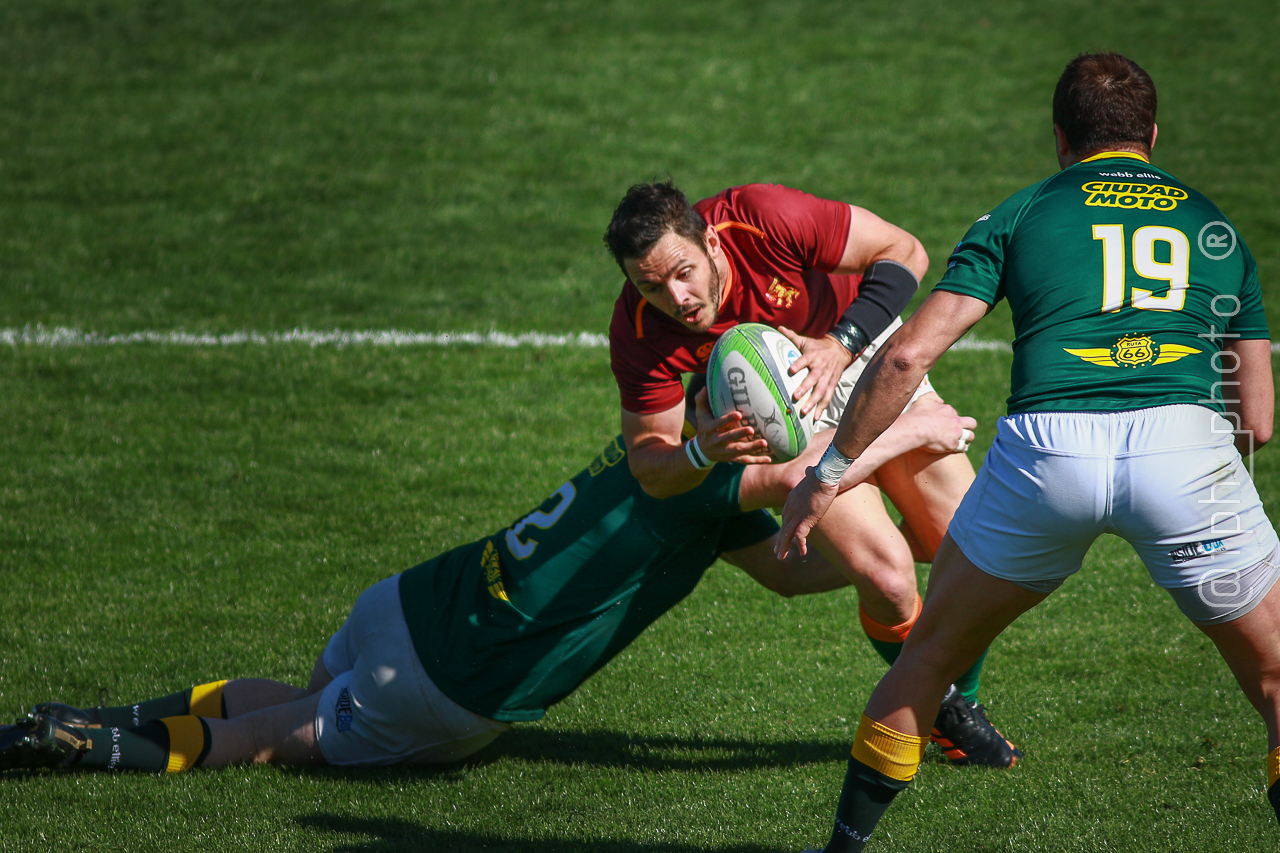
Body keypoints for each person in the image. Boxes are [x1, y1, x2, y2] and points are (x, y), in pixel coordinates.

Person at [778, 52, 1279, 851]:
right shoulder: (1216, 229)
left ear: (1060, 139)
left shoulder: (1019, 213)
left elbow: (906, 358)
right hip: (1185, 454)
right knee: (1275, 679)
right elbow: (1257, 419)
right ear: (1152, 135)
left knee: (930, 654)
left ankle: (841, 847)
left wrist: (827, 474)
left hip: (1049, 453)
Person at [0, 395, 976, 773]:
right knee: (260, 742)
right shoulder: (720, 475)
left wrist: (879, 548)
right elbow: (813, 476)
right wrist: (911, 437)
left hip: (406, 603)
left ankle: (106, 710)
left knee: (298, 697)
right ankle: (90, 749)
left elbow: (780, 569)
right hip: (449, 678)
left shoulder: (659, 460)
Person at [605, 180, 1019, 768]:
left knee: (959, 545)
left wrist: (839, 343)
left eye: (683, 272)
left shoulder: (763, 217)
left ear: (711, 243)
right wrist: (702, 454)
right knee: (890, 578)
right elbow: (649, 463)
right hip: (783, 422)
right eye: (650, 286)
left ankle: (949, 697)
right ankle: (953, 712)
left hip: (857, 352)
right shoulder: (639, 330)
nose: (677, 299)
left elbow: (907, 252)